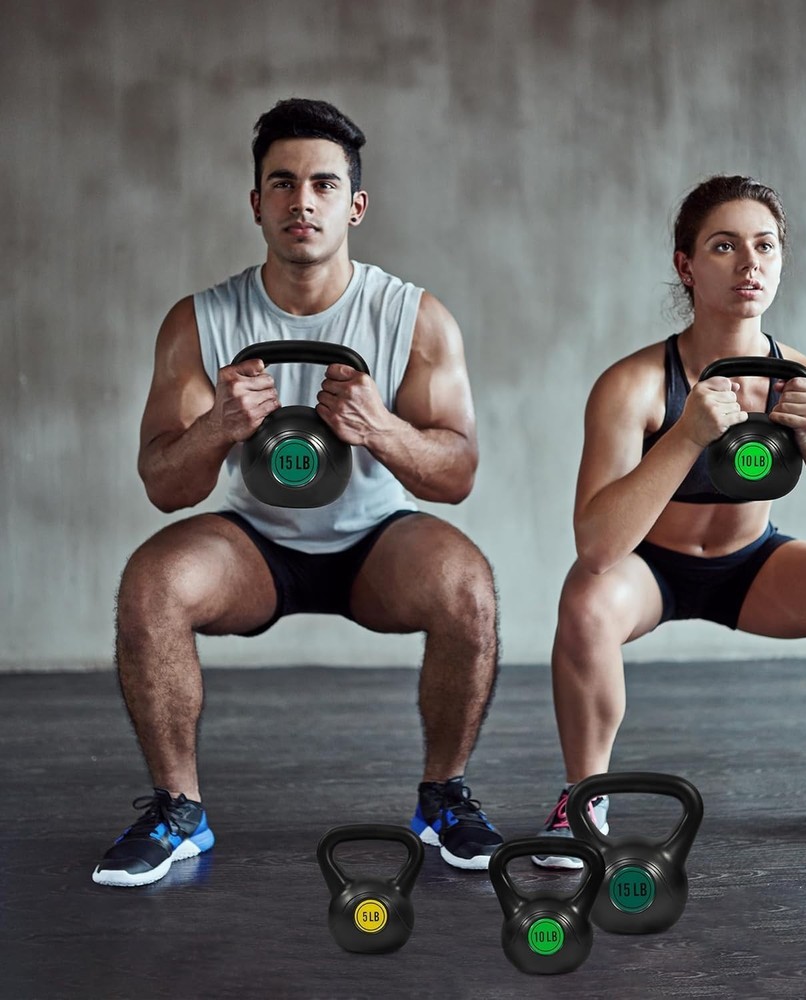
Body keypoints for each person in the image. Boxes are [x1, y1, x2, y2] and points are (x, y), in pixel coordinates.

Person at [93, 98, 502, 887]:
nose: (300, 201)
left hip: (377, 542)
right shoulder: (200, 321)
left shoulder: (414, 318)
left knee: (468, 587)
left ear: (355, 205)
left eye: (321, 184)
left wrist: (381, 428)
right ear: (256, 203)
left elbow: (456, 475)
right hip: (255, 545)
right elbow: (161, 486)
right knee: (150, 585)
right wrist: (217, 427)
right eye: (281, 184)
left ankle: (443, 798)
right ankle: (179, 811)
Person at [532, 175, 806, 867]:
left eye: (765, 246)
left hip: (753, 566)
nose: (750, 263)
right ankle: (585, 797)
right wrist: (686, 435)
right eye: (724, 246)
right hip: (649, 569)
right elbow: (597, 545)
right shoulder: (632, 384)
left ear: (780, 261)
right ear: (685, 265)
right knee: (585, 599)